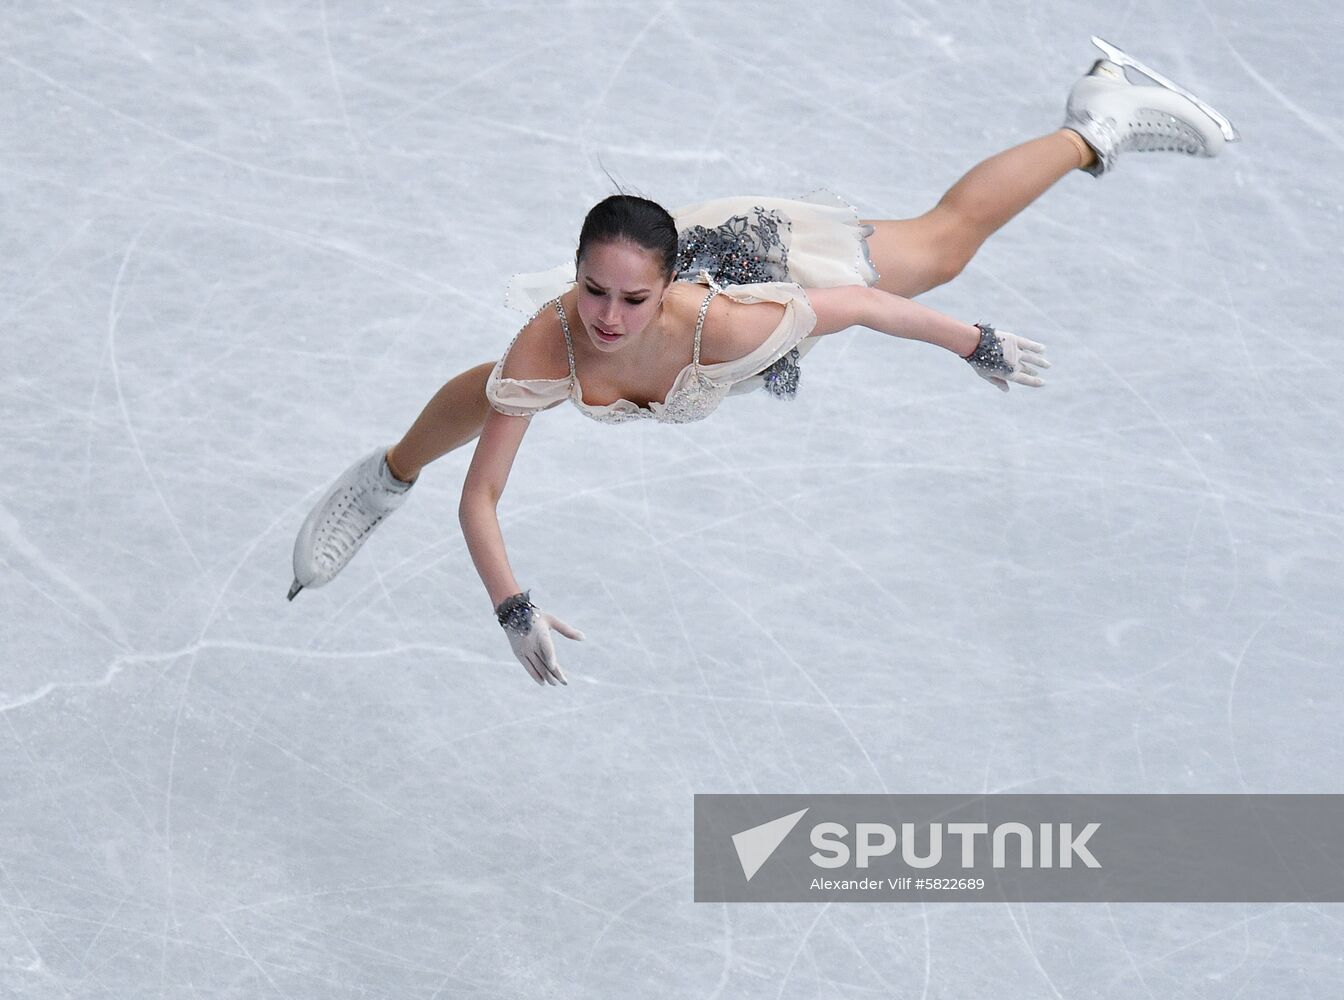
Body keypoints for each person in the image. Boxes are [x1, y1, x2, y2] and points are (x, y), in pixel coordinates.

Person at [287, 37, 1238, 687]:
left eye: (629, 299)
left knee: (940, 252)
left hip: (768, 266)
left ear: (663, 291)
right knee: (518, 382)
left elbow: (861, 305)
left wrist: (971, 341)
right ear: (576, 275)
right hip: (643, 305)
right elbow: (483, 497)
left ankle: (1098, 117)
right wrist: (512, 609)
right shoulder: (560, 331)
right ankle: (384, 476)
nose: (608, 319)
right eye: (592, 291)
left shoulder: (732, 326)